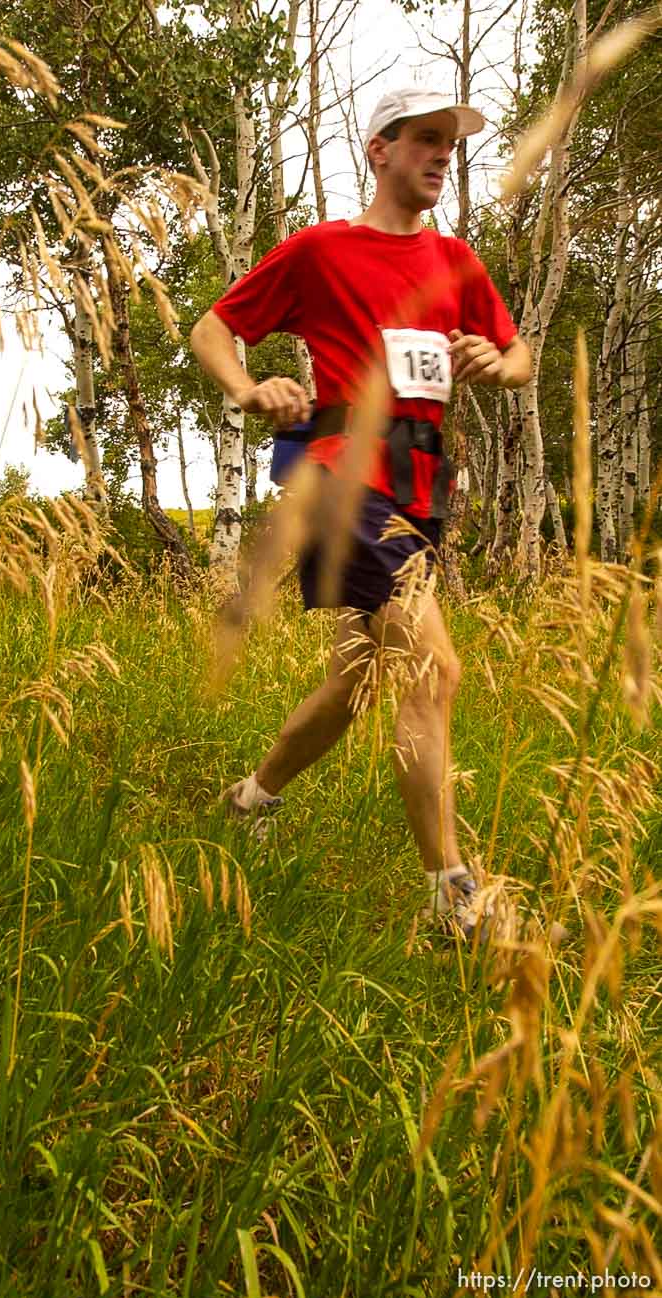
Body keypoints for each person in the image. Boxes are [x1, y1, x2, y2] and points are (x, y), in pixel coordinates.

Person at [190, 88, 531, 939]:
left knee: (356, 682)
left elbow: (519, 356)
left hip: (421, 490)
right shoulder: (321, 250)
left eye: (448, 144)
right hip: (342, 478)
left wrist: (497, 358)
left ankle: (250, 798)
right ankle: (455, 903)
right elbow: (212, 327)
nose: (440, 154)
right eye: (423, 139)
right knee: (433, 671)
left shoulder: (456, 262)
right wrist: (247, 384)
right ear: (377, 150)